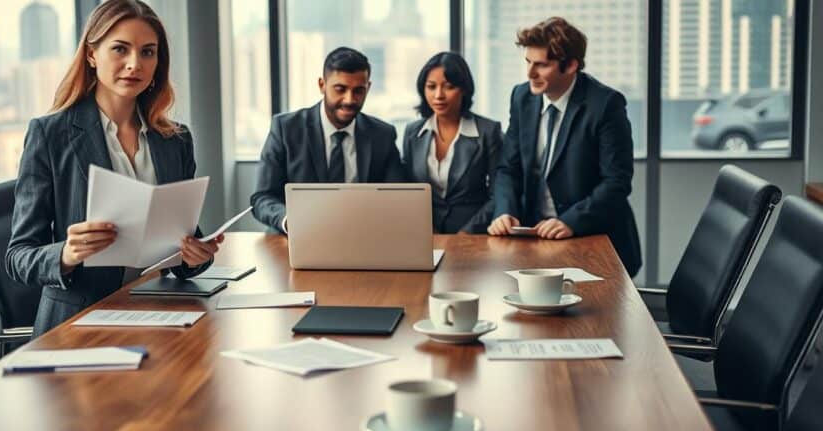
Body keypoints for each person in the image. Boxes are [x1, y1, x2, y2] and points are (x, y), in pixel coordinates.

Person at [6, 0, 222, 337]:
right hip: (80, 322)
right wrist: (66, 253)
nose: (135, 63)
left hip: (159, 313)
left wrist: (198, 256)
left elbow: (184, 240)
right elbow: (19, 257)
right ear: (92, 55)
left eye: (148, 52)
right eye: (120, 49)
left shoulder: (175, 139)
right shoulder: (50, 135)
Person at [487, 17, 642, 276]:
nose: (530, 74)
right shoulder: (521, 97)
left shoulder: (605, 105)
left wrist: (570, 222)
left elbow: (617, 182)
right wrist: (505, 211)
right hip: (534, 237)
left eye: (541, 65)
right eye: (527, 62)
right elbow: (508, 168)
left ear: (571, 65)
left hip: (592, 237)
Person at [251, 46, 404, 233]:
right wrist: (289, 220)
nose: (349, 99)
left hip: (362, 236)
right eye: (340, 89)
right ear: (322, 85)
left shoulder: (382, 135)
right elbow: (262, 197)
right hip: (299, 237)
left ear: (368, 88)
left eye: (358, 91)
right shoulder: (286, 129)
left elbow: (397, 198)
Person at [402, 52, 502, 234]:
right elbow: (407, 191)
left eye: (448, 87)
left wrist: (467, 233)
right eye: (431, 87)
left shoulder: (488, 132)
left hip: (473, 235)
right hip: (424, 234)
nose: (438, 95)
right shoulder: (412, 133)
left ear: (464, 89)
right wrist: (427, 230)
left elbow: (498, 194)